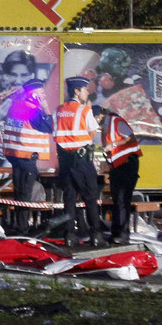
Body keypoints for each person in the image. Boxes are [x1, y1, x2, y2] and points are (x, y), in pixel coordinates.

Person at [54, 76, 102, 246]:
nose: (87, 92)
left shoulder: (59, 110)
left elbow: (55, 134)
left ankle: (69, 236)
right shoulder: (85, 110)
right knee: (90, 197)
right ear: (76, 90)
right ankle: (95, 235)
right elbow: (92, 132)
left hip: (65, 161)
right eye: (85, 89)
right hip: (82, 160)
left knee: (69, 199)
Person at [0, 78, 52, 233]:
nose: (44, 95)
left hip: (16, 156)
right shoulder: (32, 109)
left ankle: (19, 226)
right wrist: (46, 108)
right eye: (41, 92)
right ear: (34, 94)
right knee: (25, 195)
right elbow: (49, 126)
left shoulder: (16, 107)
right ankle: (23, 229)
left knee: (19, 194)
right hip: (27, 157)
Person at [93, 105, 142, 244]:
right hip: (117, 166)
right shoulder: (105, 127)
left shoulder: (116, 122)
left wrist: (113, 145)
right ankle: (116, 233)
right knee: (117, 200)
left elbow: (131, 138)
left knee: (122, 200)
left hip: (127, 164)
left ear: (100, 116)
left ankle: (123, 234)